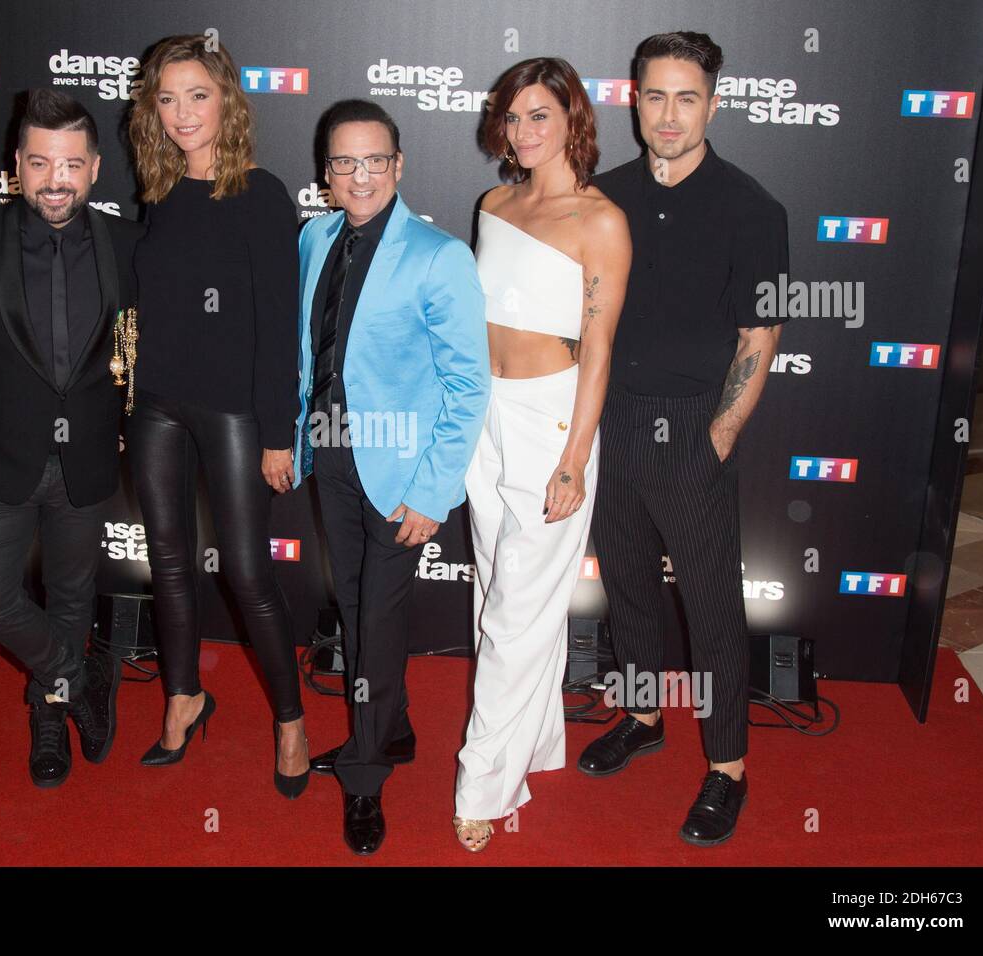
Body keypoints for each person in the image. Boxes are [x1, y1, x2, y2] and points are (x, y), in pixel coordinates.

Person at [583, 31, 790, 846]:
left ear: (714, 102)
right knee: (628, 586)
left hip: (695, 428)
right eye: (655, 96)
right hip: (613, 421)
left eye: (687, 97)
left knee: (710, 608)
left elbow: (761, 333)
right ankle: (642, 715)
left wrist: (719, 436)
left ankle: (728, 768)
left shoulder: (752, 208)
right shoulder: (602, 197)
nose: (669, 116)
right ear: (633, 97)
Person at [0, 89, 145, 788]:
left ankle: (52, 711)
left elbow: (148, 351)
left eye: (70, 164)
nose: (55, 180)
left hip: (91, 455)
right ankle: (78, 669)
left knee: (72, 596)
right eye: (40, 163)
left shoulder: (129, 243)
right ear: (17, 165)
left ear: (95, 167)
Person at [292, 99, 490, 855]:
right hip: (332, 457)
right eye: (344, 161)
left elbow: (468, 384)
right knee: (354, 607)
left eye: (375, 160)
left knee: (375, 622)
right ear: (327, 172)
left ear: (398, 167)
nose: (359, 175)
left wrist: (433, 490)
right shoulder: (313, 238)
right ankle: (395, 727)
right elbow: (308, 358)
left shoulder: (440, 256)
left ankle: (366, 776)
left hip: (403, 472)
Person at [452, 58, 630, 852]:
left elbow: (598, 351)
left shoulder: (601, 221)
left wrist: (575, 460)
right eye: (512, 117)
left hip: (553, 422)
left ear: (571, 120)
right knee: (499, 590)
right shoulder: (493, 204)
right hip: (485, 417)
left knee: (517, 608)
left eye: (539, 116)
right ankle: (542, 741)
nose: (524, 132)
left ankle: (482, 783)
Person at [124, 35, 309, 797]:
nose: (181, 113)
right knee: (166, 565)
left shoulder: (261, 194)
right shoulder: (159, 191)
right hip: (157, 406)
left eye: (196, 95)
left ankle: (292, 721)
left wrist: (276, 433)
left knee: (246, 571)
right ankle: (183, 698)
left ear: (227, 100)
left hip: (235, 410)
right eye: (166, 99)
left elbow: (278, 324)